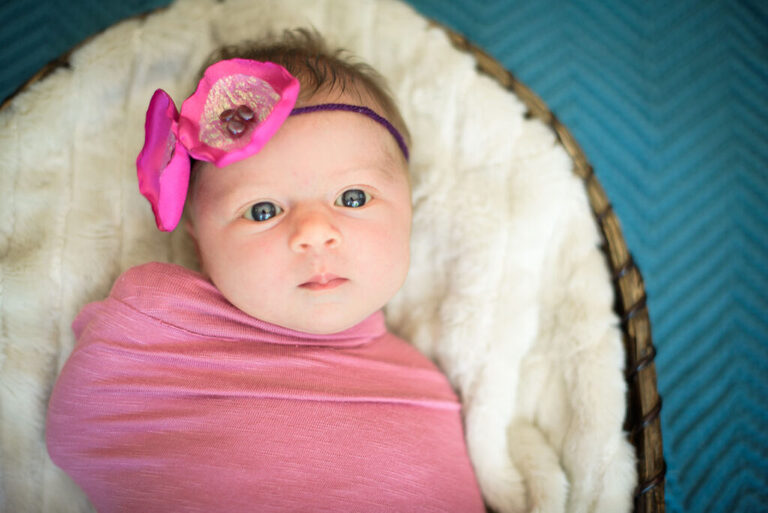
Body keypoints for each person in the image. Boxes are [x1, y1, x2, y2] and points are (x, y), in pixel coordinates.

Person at [46, 29, 485, 512]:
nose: (314, 233)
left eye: (353, 198)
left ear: (409, 213)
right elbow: (85, 427)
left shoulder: (426, 382)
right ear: (198, 240)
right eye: (262, 210)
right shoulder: (160, 328)